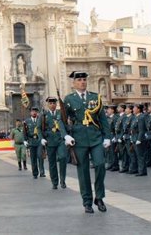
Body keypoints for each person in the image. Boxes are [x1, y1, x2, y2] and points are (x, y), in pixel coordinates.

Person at [63, 71, 111, 214]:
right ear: (74, 83)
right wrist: (66, 135)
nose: (82, 82)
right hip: (78, 139)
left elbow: (102, 118)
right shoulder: (69, 99)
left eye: (84, 79)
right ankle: (87, 201)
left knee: (100, 165)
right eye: (79, 80)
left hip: (95, 137)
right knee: (83, 171)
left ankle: (100, 197)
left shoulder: (95, 97)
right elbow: (62, 119)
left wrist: (107, 136)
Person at [42, 96, 68, 189]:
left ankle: (63, 180)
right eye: (50, 103)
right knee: (52, 162)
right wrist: (42, 138)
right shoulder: (44, 115)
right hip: (50, 141)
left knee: (63, 158)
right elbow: (40, 128)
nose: (52, 105)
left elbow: (65, 124)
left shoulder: (60, 113)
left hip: (60, 139)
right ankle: (55, 182)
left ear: (56, 104)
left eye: (54, 103)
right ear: (47, 104)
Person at [23, 107, 45, 179]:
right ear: (30, 113)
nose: (34, 112)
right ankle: (35, 173)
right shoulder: (26, 121)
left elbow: (43, 129)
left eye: (35, 111)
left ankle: (42, 172)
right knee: (33, 158)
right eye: (33, 111)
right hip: (31, 141)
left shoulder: (40, 120)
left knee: (40, 156)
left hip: (39, 141)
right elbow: (25, 132)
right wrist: (25, 140)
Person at [131, 103, 147, 176]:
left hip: (138, 137)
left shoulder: (141, 117)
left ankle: (142, 171)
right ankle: (140, 170)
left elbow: (141, 130)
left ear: (138, 109)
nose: (133, 109)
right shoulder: (135, 117)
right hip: (134, 137)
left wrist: (139, 139)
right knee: (137, 155)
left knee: (140, 156)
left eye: (134, 108)